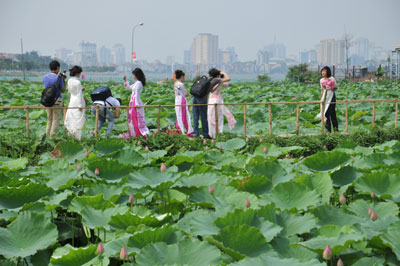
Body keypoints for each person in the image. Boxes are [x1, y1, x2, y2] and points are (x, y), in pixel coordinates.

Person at [121, 68, 150, 138]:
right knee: (133, 119)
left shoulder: (139, 83)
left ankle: (138, 134)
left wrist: (136, 104)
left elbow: (136, 94)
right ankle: (134, 134)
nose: (133, 76)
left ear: (136, 75)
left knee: (136, 119)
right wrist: (125, 80)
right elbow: (129, 88)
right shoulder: (136, 83)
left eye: (133, 75)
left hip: (135, 102)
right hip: (133, 102)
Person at [207, 68, 236, 138]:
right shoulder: (219, 81)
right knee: (219, 118)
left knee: (210, 118)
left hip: (211, 101)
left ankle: (211, 135)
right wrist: (223, 73)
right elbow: (228, 79)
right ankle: (219, 133)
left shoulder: (209, 81)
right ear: (217, 75)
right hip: (218, 101)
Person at [43, 60, 66, 137]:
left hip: (47, 100)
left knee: (49, 119)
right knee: (56, 120)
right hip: (57, 100)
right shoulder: (59, 78)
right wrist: (63, 80)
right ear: (57, 68)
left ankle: (47, 136)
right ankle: (52, 138)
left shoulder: (45, 77)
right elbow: (63, 90)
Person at [64, 66, 86, 140]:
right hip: (77, 102)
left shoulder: (69, 81)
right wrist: (80, 105)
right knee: (78, 120)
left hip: (72, 101)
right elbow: (79, 94)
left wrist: (80, 89)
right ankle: (77, 138)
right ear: (77, 73)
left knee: (71, 119)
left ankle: (70, 136)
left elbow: (71, 92)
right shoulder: (78, 82)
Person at [318, 66, 339, 133]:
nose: (323, 72)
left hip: (331, 97)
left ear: (328, 72)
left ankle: (336, 129)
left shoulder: (331, 78)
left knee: (332, 113)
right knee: (326, 113)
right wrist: (321, 99)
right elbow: (322, 90)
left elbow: (336, 87)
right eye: (322, 71)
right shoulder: (321, 80)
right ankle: (328, 130)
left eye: (325, 71)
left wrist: (330, 86)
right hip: (325, 97)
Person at [174, 70, 194, 137]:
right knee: (184, 116)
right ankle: (184, 130)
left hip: (177, 99)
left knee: (179, 115)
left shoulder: (175, 83)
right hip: (182, 100)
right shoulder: (181, 84)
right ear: (182, 76)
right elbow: (186, 94)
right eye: (183, 76)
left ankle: (179, 130)